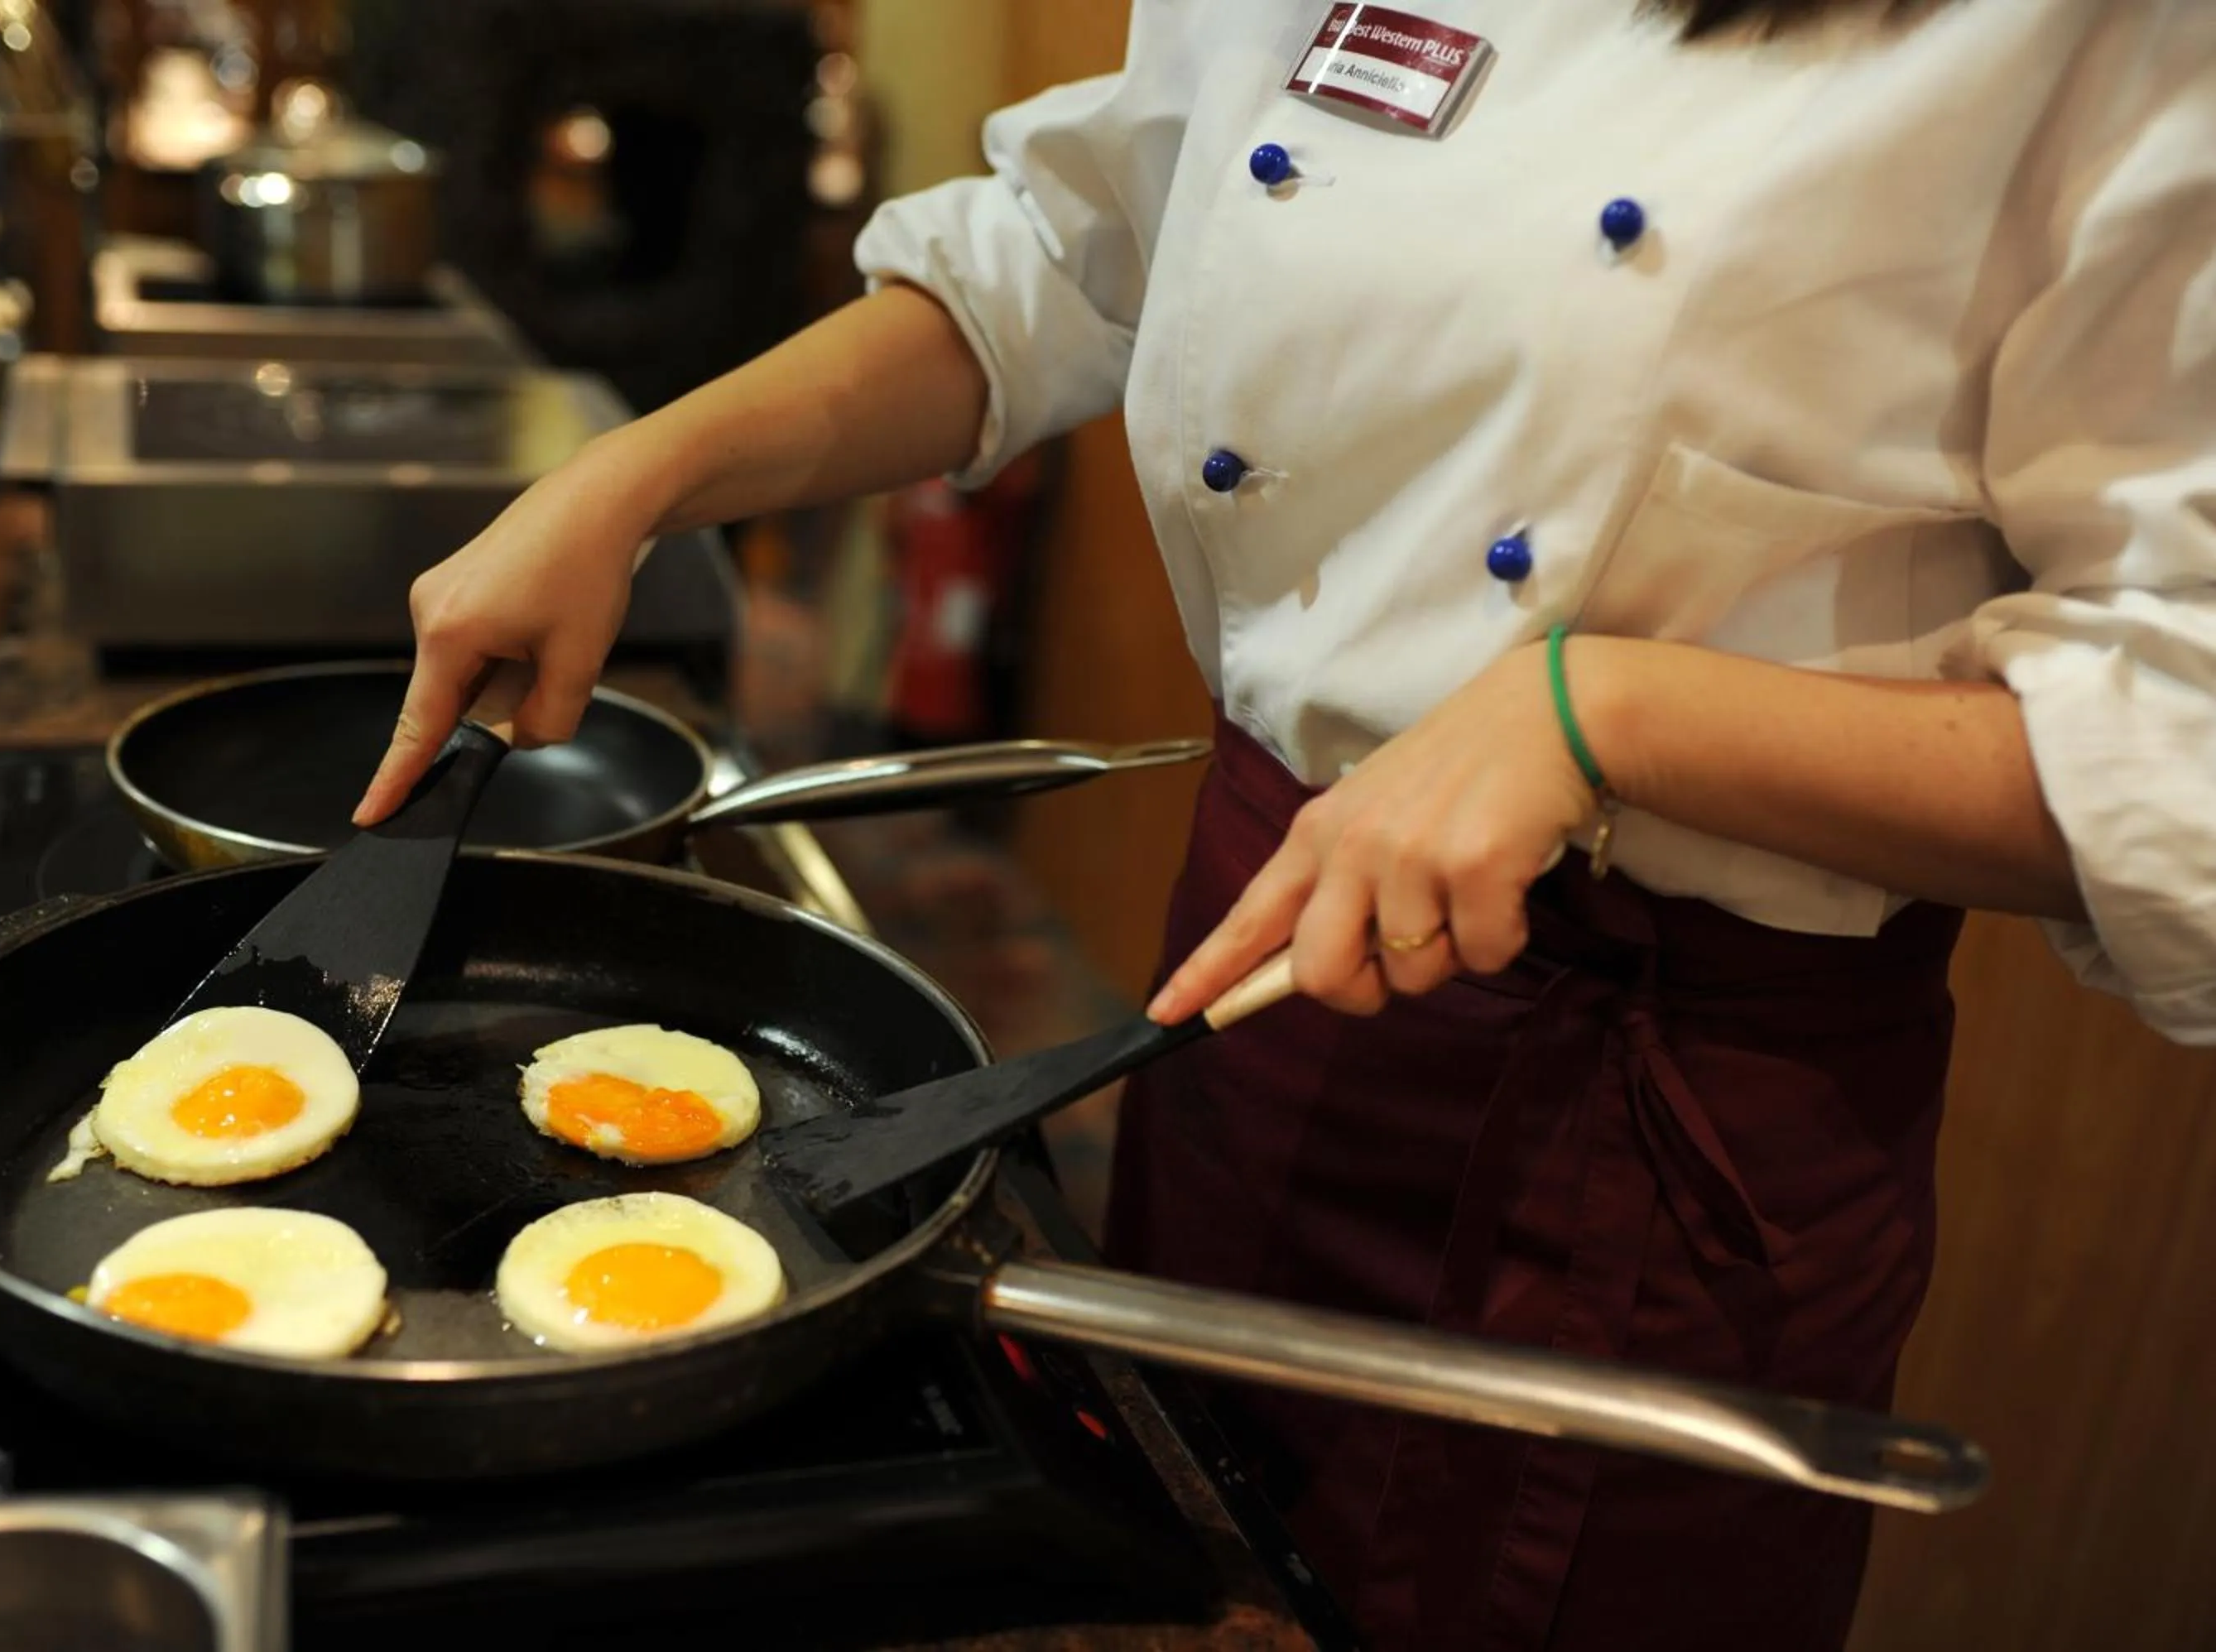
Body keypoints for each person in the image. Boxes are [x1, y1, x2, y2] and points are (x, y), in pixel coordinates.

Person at [356, 1, 2216, 1645]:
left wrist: (1611, 712)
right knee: (1195, 1564)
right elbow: (1077, 256)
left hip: (1645, 1105)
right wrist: (637, 474)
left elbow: (2183, 737)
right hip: (1258, 958)